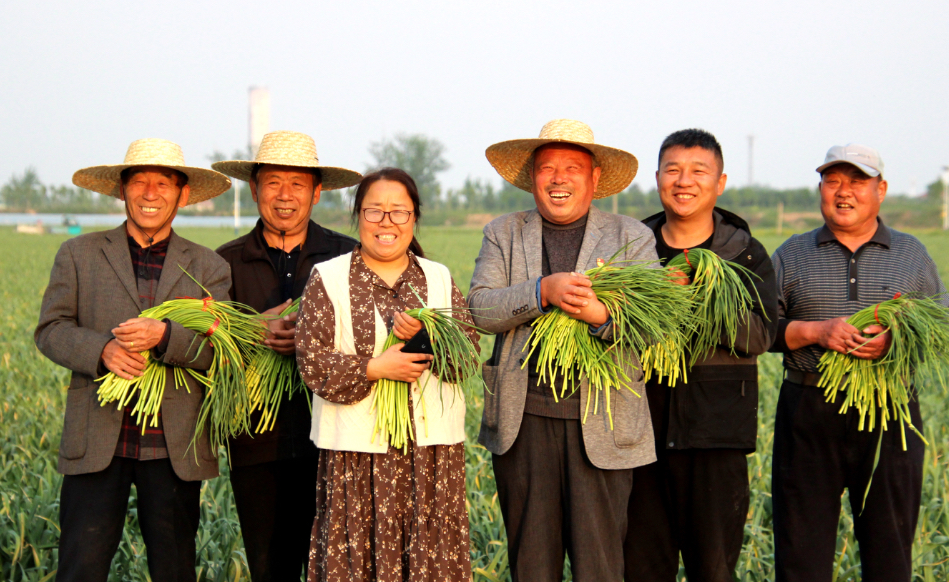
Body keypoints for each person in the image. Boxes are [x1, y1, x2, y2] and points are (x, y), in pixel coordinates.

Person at [35, 139, 232, 582]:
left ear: (182, 194)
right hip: (97, 440)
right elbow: (51, 330)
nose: (149, 193)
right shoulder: (79, 254)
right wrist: (101, 350)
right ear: (121, 191)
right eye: (139, 182)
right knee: (80, 567)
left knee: (174, 569)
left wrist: (166, 337)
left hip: (173, 444)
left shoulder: (208, 266)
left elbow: (220, 349)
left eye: (163, 183)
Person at [469, 119, 657, 582]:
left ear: (595, 179)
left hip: (605, 424)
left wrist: (600, 317)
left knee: (600, 567)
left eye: (572, 167)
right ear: (531, 178)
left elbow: (655, 328)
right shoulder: (503, 232)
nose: (558, 178)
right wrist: (541, 291)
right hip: (523, 422)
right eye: (547, 168)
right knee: (532, 566)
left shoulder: (631, 237)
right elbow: (479, 309)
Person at [769, 144, 949, 582]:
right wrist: (815, 332)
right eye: (833, 181)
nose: (843, 192)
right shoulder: (792, 254)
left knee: (889, 551)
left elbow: (941, 325)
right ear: (820, 189)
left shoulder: (911, 254)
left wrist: (896, 341)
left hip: (890, 412)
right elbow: (758, 330)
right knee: (801, 553)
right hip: (808, 410)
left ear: (881, 190)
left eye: (857, 181)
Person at [295, 168, 476, 581]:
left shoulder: (438, 278)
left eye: (399, 212)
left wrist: (430, 336)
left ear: (415, 218)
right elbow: (312, 361)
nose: (387, 222)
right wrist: (375, 368)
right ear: (357, 216)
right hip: (355, 459)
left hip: (430, 459)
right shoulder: (329, 277)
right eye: (375, 211)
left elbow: (466, 358)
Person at [624, 129, 778, 582]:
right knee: (641, 569)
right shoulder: (634, 249)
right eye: (673, 170)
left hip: (716, 438)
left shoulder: (745, 255)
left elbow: (760, 335)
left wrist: (699, 295)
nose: (684, 181)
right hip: (638, 436)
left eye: (698, 171)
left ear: (720, 182)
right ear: (657, 178)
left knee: (712, 570)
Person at [211, 131, 361, 581]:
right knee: (269, 566)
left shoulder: (348, 256)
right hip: (256, 441)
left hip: (337, 437)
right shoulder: (225, 262)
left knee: (335, 565)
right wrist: (252, 329)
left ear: (317, 192)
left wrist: (311, 336)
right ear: (254, 189)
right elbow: (200, 345)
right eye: (273, 183)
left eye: (297, 184)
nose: (284, 196)